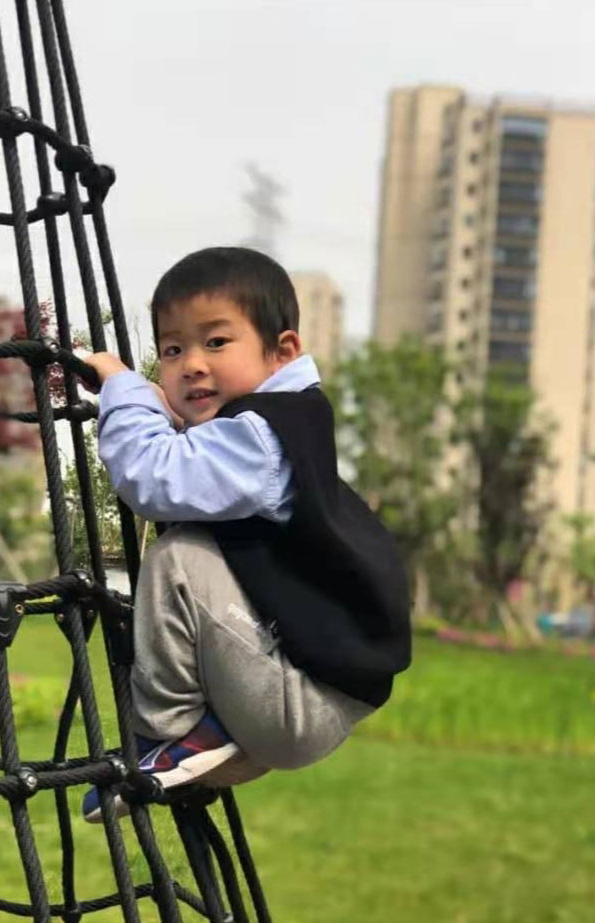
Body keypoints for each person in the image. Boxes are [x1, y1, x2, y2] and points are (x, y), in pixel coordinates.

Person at [80, 247, 411, 823]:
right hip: (298, 694)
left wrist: (123, 388)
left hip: (294, 703)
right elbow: (189, 459)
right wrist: (158, 409)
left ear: (282, 352)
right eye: (172, 350)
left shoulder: (258, 436)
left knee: (180, 558)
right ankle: (205, 745)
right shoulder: (279, 425)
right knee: (192, 554)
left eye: (215, 342)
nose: (191, 364)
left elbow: (152, 478)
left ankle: (166, 736)